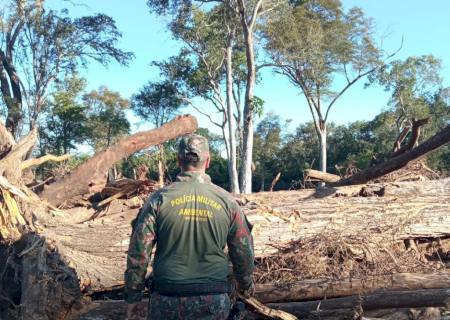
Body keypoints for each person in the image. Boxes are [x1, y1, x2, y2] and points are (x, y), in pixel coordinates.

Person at [124, 134, 254, 320]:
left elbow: (139, 253)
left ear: (178, 160)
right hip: (213, 300)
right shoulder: (227, 202)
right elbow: (243, 251)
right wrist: (245, 287)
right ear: (207, 161)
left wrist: (132, 297)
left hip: (166, 300)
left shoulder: (158, 199)